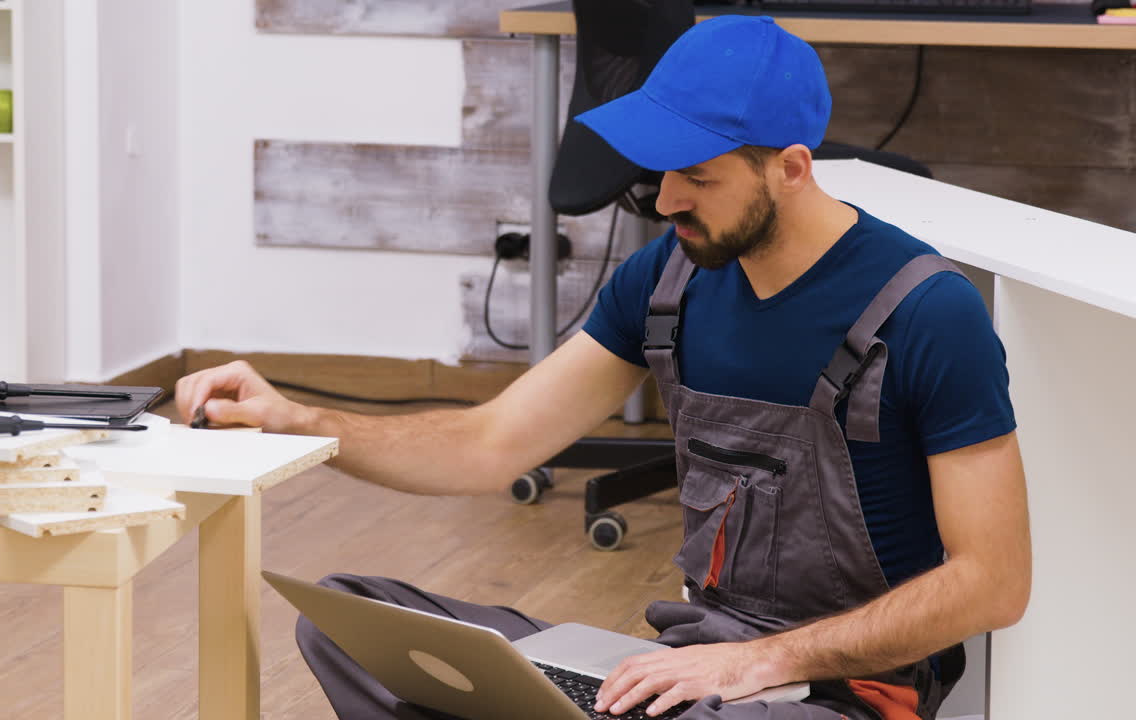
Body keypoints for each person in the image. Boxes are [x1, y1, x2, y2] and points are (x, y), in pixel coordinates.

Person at [175, 15, 1030, 720]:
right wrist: (301, 420)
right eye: (660, 173)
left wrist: (761, 662)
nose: (664, 202)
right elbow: (488, 444)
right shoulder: (666, 282)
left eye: (696, 177)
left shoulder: (927, 314)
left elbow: (994, 584)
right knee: (352, 619)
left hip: (839, 696)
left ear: (792, 170)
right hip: (688, 673)